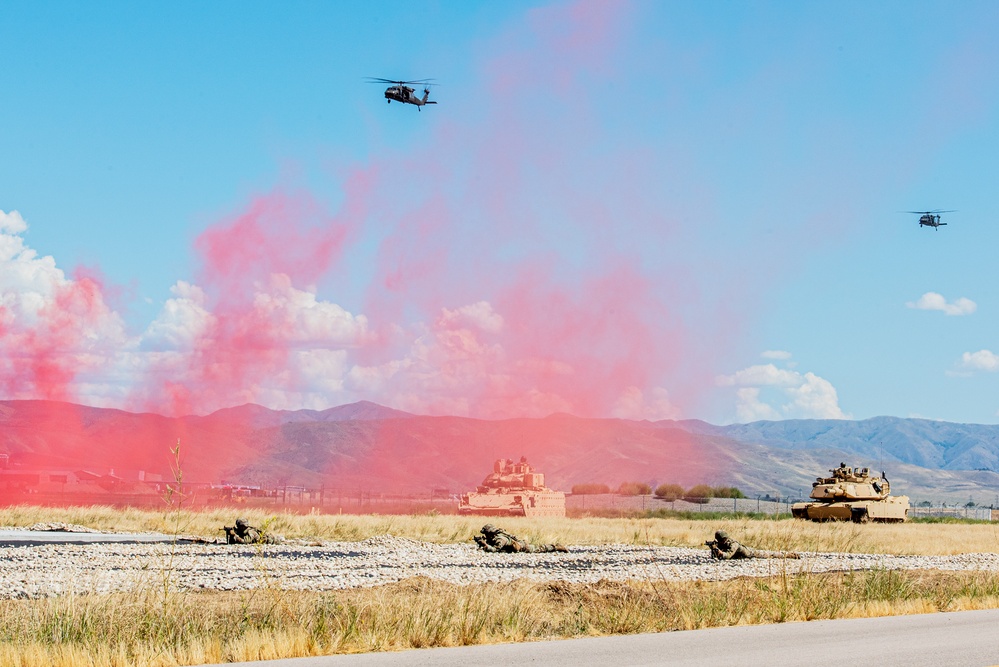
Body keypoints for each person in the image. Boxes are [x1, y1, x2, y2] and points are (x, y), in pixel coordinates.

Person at [705, 530, 800, 560]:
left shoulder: (733, 544)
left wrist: (717, 550)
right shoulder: (721, 543)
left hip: (751, 554)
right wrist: (713, 548)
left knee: (770, 555)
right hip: (741, 557)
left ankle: (789, 555)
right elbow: (716, 556)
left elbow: (727, 556)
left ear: (725, 539)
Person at [474, 524, 568, 553]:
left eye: (486, 534)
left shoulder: (500, 539)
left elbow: (496, 549)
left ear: (490, 533)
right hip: (515, 545)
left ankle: (556, 547)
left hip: (522, 546)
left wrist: (485, 545)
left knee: (539, 549)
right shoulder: (495, 537)